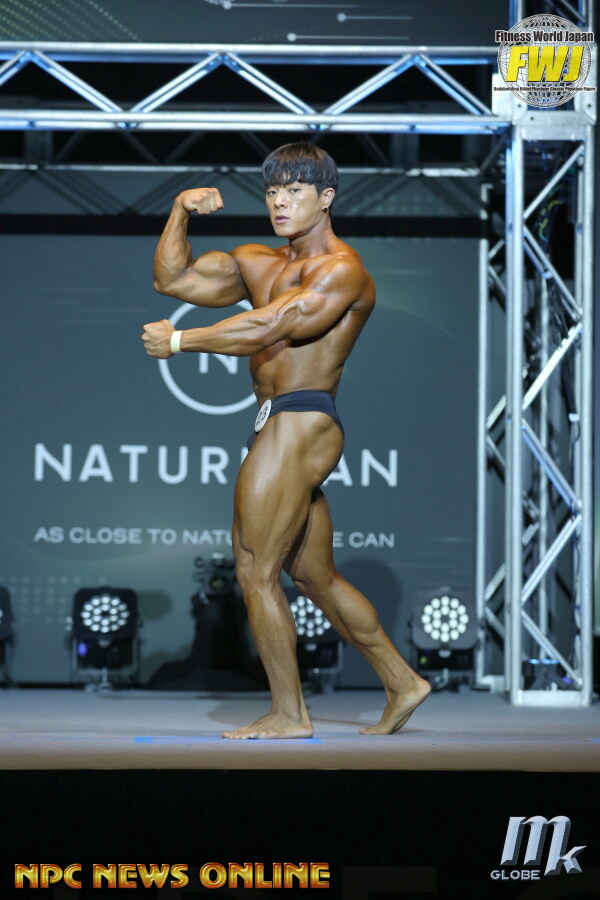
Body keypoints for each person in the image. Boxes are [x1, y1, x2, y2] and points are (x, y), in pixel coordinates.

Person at [142, 142, 431, 739]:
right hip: (272, 420)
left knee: (254, 570)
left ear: (325, 198)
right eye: (273, 191)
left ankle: (289, 714)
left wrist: (180, 342)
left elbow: (272, 324)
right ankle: (403, 681)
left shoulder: (342, 270)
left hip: (302, 416)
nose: (279, 201)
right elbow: (172, 279)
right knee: (314, 577)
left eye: (295, 191)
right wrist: (179, 210)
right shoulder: (257, 261)